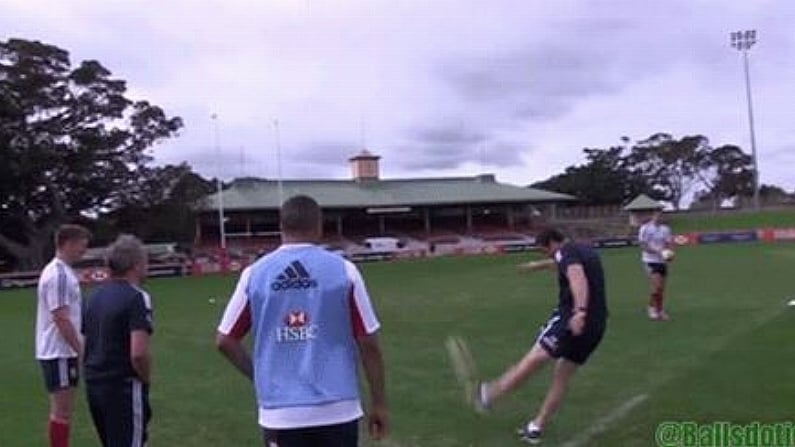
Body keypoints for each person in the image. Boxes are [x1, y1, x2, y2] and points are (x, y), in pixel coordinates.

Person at [216, 195, 389, 447]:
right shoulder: (345, 271)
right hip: (338, 409)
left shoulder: (254, 275)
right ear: (319, 225)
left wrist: (259, 375)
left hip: (281, 413)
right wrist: (380, 403)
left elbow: (225, 340)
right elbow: (368, 342)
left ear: (282, 226)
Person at [447, 228, 608, 444]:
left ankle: (488, 395)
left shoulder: (566, 252)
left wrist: (579, 311)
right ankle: (536, 427)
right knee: (562, 378)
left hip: (571, 319)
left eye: (545, 252)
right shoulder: (584, 250)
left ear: (552, 243)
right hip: (596, 326)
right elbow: (565, 265)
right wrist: (538, 266)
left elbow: (576, 275)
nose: (547, 256)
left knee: (535, 359)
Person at [82, 234, 153, 447]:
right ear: (135, 264)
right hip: (123, 387)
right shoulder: (136, 297)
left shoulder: (93, 297)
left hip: (94, 384)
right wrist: (146, 379)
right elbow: (138, 353)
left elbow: (85, 343)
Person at [35, 224, 91, 447]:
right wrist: (81, 350)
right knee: (62, 412)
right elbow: (60, 317)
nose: (83, 251)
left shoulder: (63, 271)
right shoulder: (58, 275)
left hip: (62, 351)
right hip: (59, 351)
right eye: (81, 246)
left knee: (64, 411)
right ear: (67, 243)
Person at [638, 209, 673, 321]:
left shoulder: (666, 229)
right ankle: (652, 308)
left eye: (662, 215)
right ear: (653, 216)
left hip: (662, 262)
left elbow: (668, 244)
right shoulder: (645, 228)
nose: (659, 217)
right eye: (657, 215)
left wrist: (670, 254)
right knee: (656, 287)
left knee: (661, 289)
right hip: (650, 261)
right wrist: (658, 252)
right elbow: (643, 246)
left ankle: (660, 310)